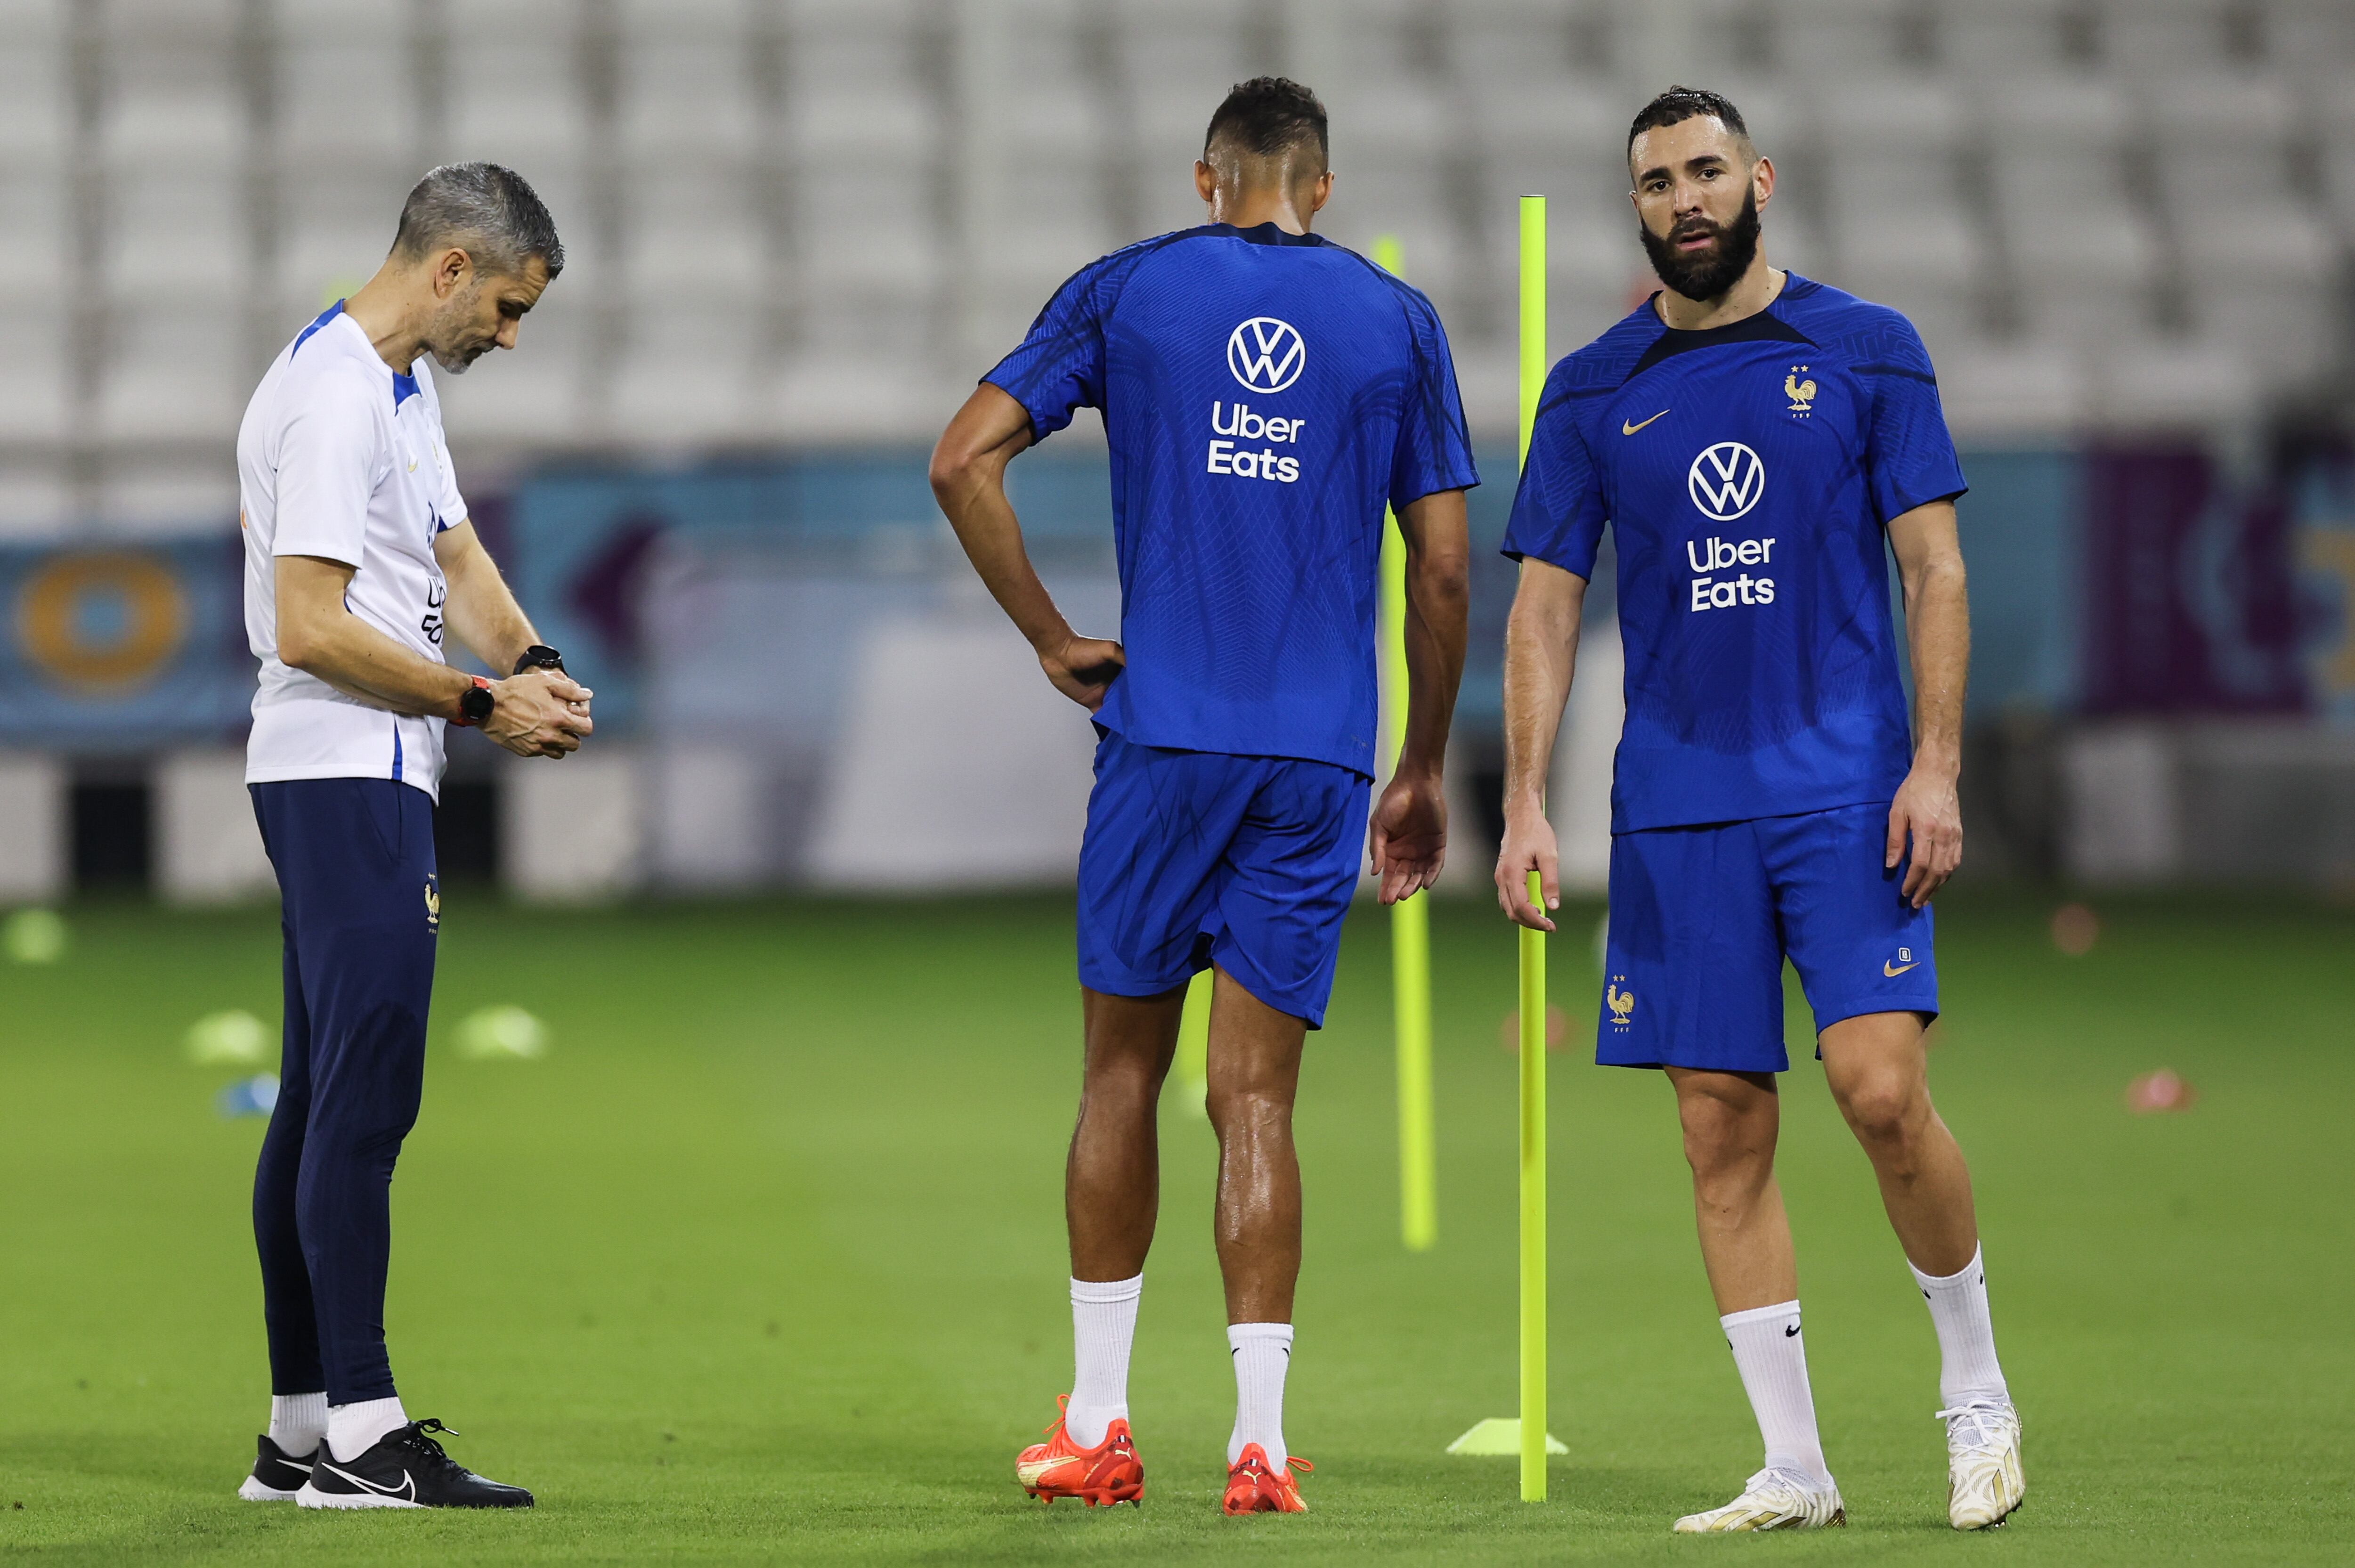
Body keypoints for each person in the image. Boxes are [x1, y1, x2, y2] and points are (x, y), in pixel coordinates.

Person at [930, 77, 1475, 1516]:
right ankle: (1262, 1443)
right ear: (1323, 187)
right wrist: (1423, 764)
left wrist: (1052, 637)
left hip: (1165, 734)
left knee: (1121, 1074)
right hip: (1319, 754)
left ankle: (1098, 1425)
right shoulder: (1398, 320)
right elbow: (1441, 569)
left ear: (1207, 177)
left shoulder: (1127, 290)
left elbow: (961, 458)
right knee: (1258, 1102)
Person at [1493, 88, 2023, 1533]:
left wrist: (1936, 764)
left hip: (1845, 786)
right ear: (1638, 206)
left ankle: (1978, 1394)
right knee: (1719, 1132)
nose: (1686, 198)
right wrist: (1524, 799)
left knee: (1880, 1091)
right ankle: (1796, 1466)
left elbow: (1936, 570)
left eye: (1707, 170)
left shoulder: (1867, 346)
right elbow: (1543, 608)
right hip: (1677, 807)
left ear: (1761, 179)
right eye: (1658, 181)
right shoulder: (1591, 389)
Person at [234, 162, 590, 1511]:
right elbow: (311, 625)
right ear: (449, 269)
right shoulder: (335, 399)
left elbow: (454, 560)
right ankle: (366, 1436)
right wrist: (482, 705)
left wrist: (533, 662)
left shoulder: (389, 384)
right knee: (367, 1102)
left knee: (321, 1099)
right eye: (506, 307)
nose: (509, 335)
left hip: (354, 770)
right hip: (347, 769)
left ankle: (300, 1432)